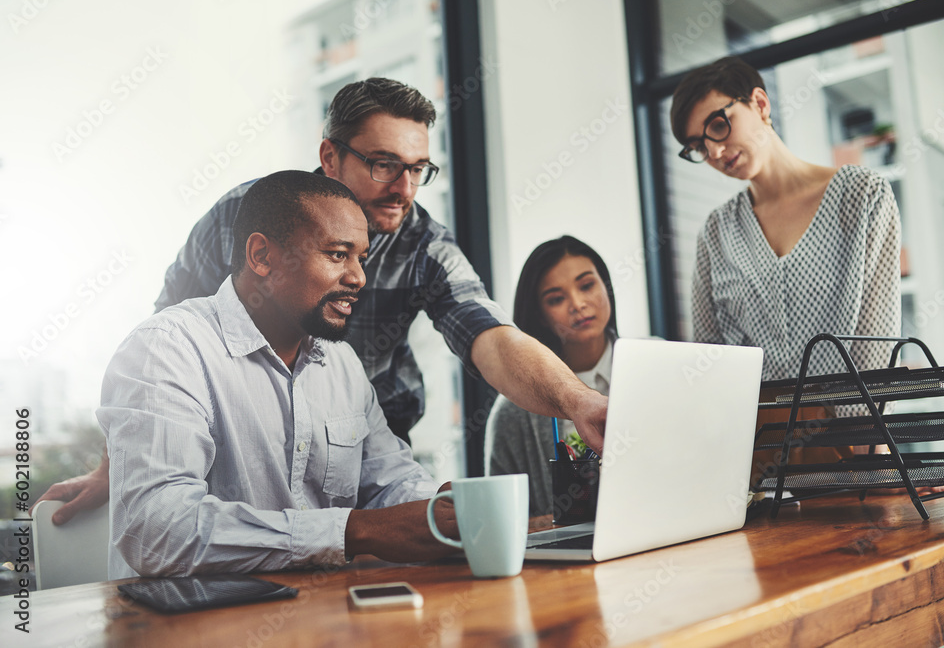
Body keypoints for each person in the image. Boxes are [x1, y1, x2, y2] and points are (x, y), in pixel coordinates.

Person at [37, 78, 608, 526]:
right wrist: (127, 462)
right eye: (384, 164)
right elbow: (163, 352)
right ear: (330, 157)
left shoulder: (426, 245)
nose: (403, 189)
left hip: (363, 451)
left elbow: (492, 340)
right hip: (241, 453)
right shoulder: (249, 217)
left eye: (418, 170)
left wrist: (577, 401)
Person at [100, 170, 459, 577]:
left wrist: (443, 507)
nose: (359, 277)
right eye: (338, 254)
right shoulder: (165, 348)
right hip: (186, 628)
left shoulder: (341, 363)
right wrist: (352, 531)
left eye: (362, 257)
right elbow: (156, 532)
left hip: (317, 619)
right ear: (262, 257)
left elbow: (389, 480)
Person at [670, 56, 901, 383]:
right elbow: (709, 355)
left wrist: (862, 432)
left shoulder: (860, 195)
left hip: (850, 430)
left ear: (760, 104)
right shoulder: (716, 232)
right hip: (753, 432)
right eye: (699, 147)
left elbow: (877, 341)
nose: (715, 153)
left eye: (718, 126)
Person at [485, 236, 617, 517]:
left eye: (587, 285)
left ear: (606, 286)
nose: (578, 304)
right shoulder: (513, 411)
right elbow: (505, 517)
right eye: (556, 299)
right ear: (541, 315)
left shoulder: (653, 369)